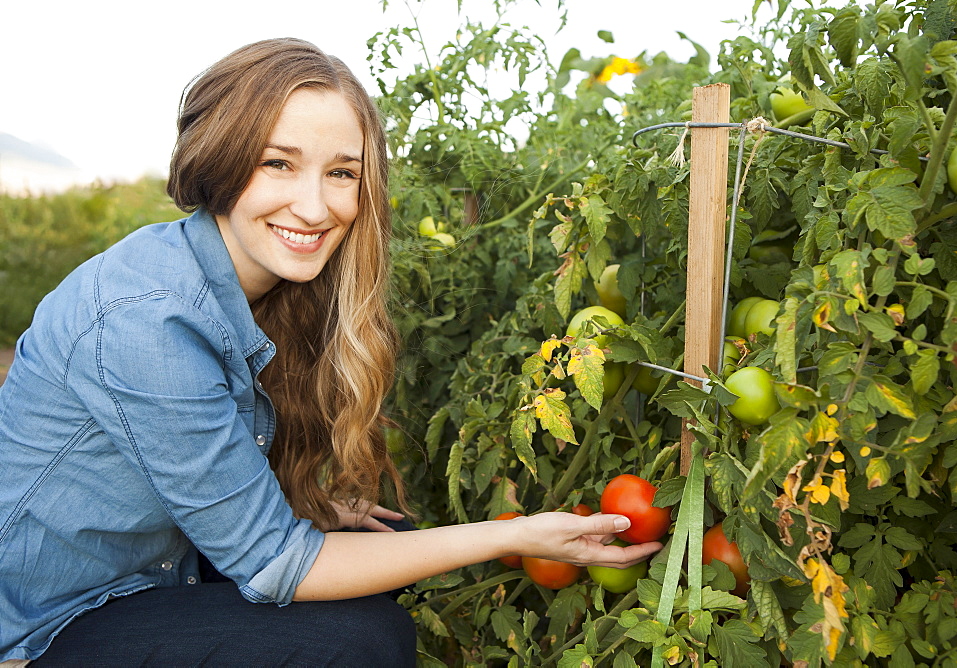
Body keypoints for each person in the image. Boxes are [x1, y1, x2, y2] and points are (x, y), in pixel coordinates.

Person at [0, 38, 662, 666]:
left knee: (387, 542)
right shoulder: (148, 320)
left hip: (142, 570)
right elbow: (273, 566)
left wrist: (291, 510)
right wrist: (514, 534)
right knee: (359, 645)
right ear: (222, 158)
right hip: (45, 625)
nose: (314, 207)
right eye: (278, 163)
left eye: (340, 172)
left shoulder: (248, 284)